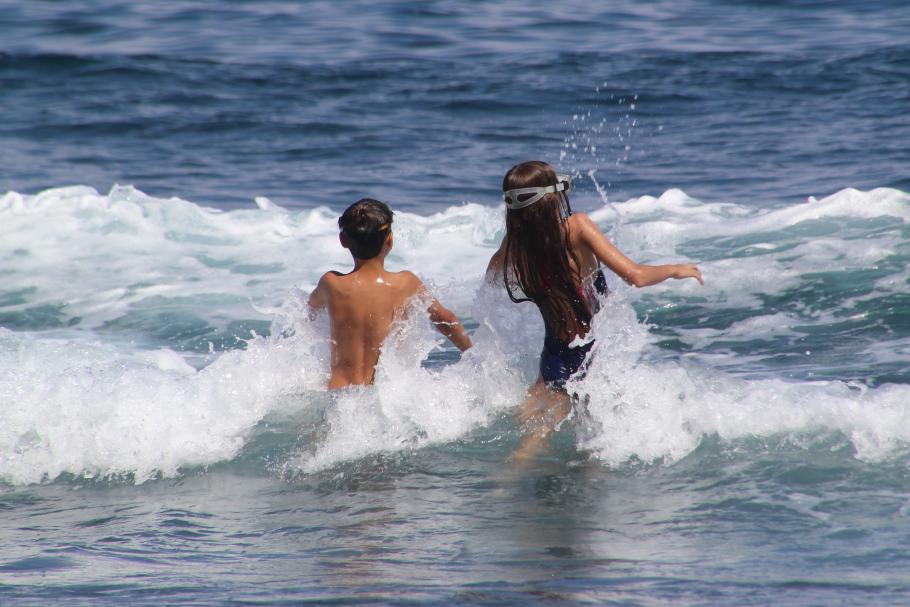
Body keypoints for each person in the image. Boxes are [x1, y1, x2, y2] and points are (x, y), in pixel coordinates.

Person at [485, 160, 703, 460]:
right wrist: (675, 269)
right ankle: (509, 484)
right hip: (586, 349)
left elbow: (490, 282)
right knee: (572, 442)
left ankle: (510, 486)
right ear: (553, 197)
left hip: (553, 354)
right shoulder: (577, 227)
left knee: (533, 424)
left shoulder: (513, 246)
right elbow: (636, 276)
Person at [309, 198, 472, 390]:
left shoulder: (331, 283)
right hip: (383, 395)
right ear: (390, 239)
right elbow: (445, 319)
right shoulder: (405, 283)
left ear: (343, 240)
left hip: (338, 392)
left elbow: (311, 312)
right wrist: (473, 354)